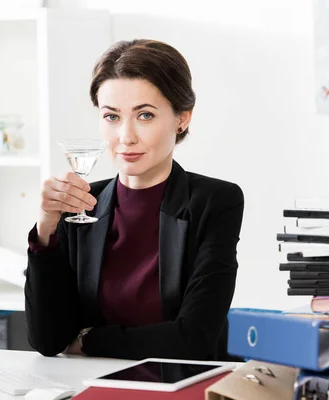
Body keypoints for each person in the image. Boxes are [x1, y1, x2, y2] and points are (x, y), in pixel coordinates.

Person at [25, 39, 244, 361]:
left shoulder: (215, 201)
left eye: (144, 115)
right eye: (112, 117)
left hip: (182, 385)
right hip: (94, 385)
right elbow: (47, 339)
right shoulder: (82, 203)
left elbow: (193, 339)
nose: (125, 137)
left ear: (182, 117)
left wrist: (88, 341)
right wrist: (46, 229)